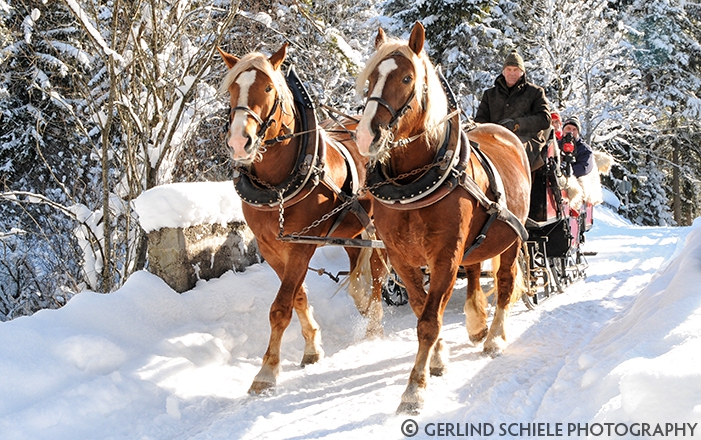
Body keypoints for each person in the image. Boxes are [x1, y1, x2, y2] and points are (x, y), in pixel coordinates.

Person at [475, 50, 551, 170]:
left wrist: (516, 124)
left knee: (509, 151)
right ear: (503, 72)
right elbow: (480, 120)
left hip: (527, 140)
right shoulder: (490, 95)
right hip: (494, 138)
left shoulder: (535, 92)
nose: (512, 73)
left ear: (522, 72)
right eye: (509, 69)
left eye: (516, 70)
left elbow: (544, 119)